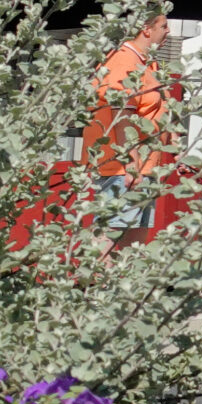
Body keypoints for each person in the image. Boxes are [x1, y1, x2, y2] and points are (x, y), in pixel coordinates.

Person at [85, 13, 172, 251]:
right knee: (108, 238)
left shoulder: (147, 62)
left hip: (144, 167)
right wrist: (130, 162)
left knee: (133, 243)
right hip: (121, 169)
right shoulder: (123, 61)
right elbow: (120, 112)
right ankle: (94, 286)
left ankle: (124, 288)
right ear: (146, 28)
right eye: (164, 26)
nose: (168, 32)